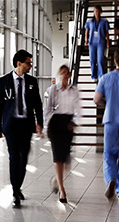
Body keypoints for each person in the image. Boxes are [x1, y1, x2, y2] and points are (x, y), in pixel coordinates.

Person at [0, 49, 44, 207]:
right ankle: (15, 190)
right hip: (11, 125)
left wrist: (40, 123)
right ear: (19, 63)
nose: (30, 66)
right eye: (28, 63)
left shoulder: (31, 81)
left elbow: (38, 104)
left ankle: (17, 186)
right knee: (14, 157)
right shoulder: (4, 81)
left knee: (23, 159)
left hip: (26, 125)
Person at [45, 65, 79, 204]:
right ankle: (62, 190)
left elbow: (78, 108)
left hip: (68, 124)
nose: (64, 75)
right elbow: (47, 108)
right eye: (62, 73)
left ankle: (56, 180)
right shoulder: (53, 90)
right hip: (56, 124)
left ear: (70, 75)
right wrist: (44, 126)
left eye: (67, 73)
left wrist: (75, 122)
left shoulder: (74, 90)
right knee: (58, 158)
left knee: (65, 160)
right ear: (59, 74)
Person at [94, 50, 119, 199]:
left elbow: (96, 100)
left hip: (110, 119)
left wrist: (107, 102)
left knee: (109, 154)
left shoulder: (105, 78)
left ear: (115, 61)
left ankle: (111, 179)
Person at [85, 5, 110, 81]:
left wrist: (108, 42)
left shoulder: (104, 21)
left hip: (101, 42)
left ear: (101, 12)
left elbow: (107, 33)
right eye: (95, 11)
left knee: (100, 59)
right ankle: (94, 75)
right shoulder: (90, 21)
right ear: (93, 12)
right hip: (92, 43)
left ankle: (101, 75)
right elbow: (87, 31)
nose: (97, 12)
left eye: (98, 11)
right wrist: (86, 40)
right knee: (92, 59)